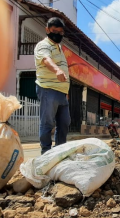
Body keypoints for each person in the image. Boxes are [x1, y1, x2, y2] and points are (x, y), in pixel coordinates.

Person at [34, 17, 70, 155]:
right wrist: (57, 70)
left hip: (62, 93)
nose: (58, 34)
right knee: (47, 123)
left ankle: (60, 152)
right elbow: (46, 59)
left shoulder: (58, 47)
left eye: (61, 32)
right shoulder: (44, 45)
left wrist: (66, 92)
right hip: (48, 89)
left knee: (64, 123)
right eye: (55, 31)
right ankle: (46, 153)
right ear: (47, 30)